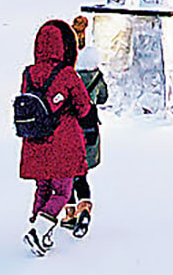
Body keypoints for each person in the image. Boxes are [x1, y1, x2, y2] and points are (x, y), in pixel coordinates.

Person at [17, 18, 93, 256]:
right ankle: (39, 231)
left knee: (43, 187)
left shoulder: (28, 74)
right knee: (62, 191)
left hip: (35, 140)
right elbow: (83, 108)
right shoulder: (68, 75)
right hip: (63, 143)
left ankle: (37, 226)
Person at [65, 13, 107, 234]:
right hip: (90, 133)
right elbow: (103, 98)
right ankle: (85, 208)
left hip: (70, 131)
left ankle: (70, 213)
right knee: (82, 174)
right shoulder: (97, 78)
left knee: (67, 175)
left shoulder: (70, 77)